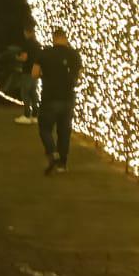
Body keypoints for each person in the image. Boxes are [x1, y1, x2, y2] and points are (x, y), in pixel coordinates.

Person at [33, 26, 84, 175]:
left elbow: (34, 73)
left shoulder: (45, 53)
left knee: (45, 128)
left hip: (49, 97)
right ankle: (62, 163)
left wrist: (45, 75)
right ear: (65, 38)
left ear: (54, 38)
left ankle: (52, 152)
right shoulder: (74, 54)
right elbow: (79, 73)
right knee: (64, 131)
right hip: (68, 97)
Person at [12, 21, 41, 124]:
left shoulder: (26, 44)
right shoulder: (38, 44)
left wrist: (17, 57)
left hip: (27, 71)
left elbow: (24, 58)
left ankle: (26, 115)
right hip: (35, 72)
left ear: (26, 32)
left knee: (25, 93)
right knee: (34, 94)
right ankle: (35, 115)